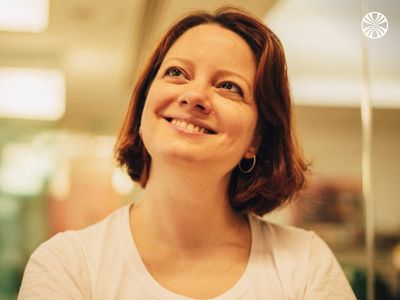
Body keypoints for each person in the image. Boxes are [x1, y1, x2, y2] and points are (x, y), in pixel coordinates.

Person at [18, 6, 356, 300]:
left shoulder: (306, 264)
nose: (194, 95)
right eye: (176, 72)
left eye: (228, 86)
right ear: (142, 108)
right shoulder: (67, 266)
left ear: (256, 139)